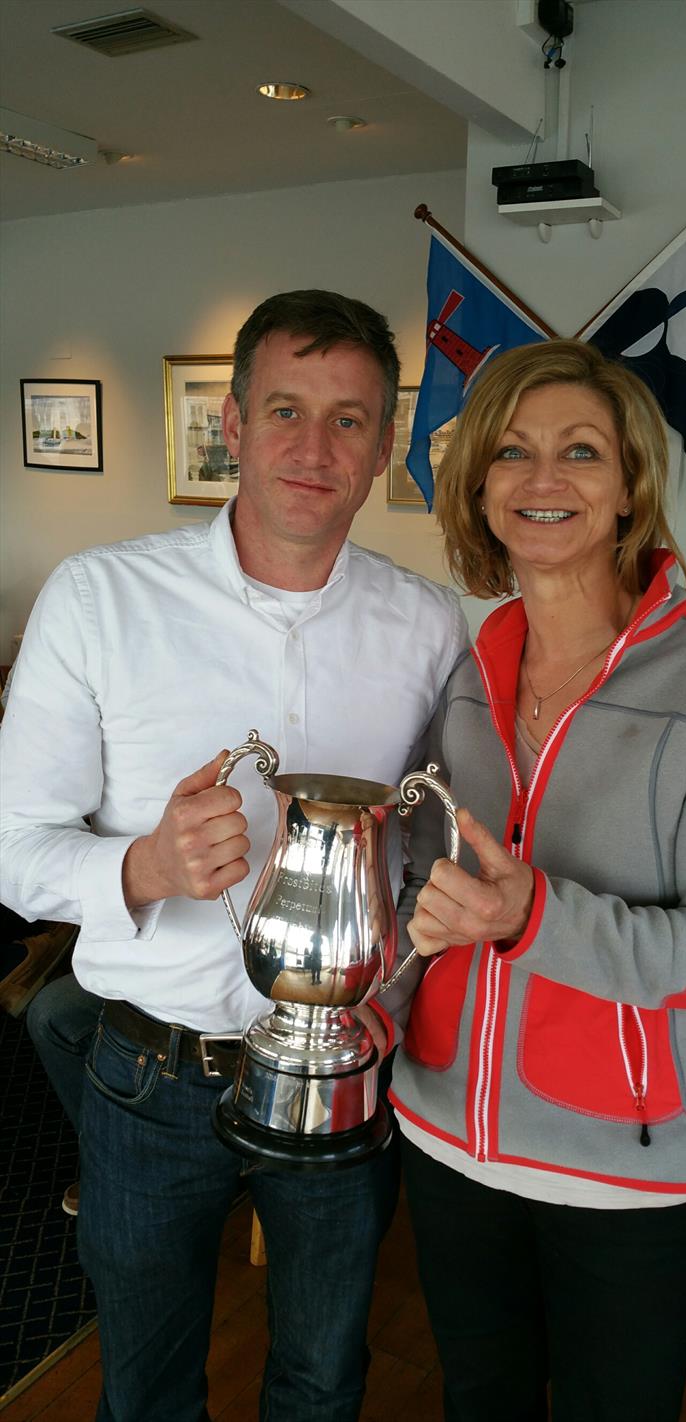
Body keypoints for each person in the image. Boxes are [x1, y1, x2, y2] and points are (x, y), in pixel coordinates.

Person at [0, 289, 468, 1422]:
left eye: (350, 420)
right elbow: (14, 855)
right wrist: (145, 868)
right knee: (147, 1379)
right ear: (235, 420)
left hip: (343, 1074)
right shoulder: (101, 598)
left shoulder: (430, 625)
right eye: (287, 410)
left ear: (383, 444)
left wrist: (395, 990)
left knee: (320, 1373)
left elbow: (425, 852)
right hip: (150, 1076)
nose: (314, 448)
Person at [381, 339, 686, 1422]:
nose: (541, 479)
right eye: (511, 453)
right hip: (441, 1139)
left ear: (627, 491)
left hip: (622, 1169)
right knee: (479, 1400)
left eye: (579, 452)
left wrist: (533, 920)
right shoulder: (465, 675)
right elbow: (424, 882)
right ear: (477, 489)